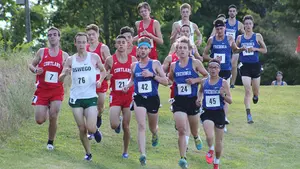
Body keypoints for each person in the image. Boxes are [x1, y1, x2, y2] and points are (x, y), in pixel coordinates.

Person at [59, 32, 106, 161]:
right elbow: (60, 79)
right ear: (75, 43)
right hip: (76, 98)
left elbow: (103, 71)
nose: (81, 44)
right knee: (82, 128)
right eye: (79, 42)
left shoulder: (94, 57)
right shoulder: (70, 59)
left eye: (83, 42)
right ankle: (88, 153)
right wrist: (65, 74)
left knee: (90, 127)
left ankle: (95, 131)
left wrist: (100, 80)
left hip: (90, 96)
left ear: (87, 43)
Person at [123, 37, 168, 166]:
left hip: (153, 98)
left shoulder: (155, 64)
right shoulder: (134, 65)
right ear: (137, 50)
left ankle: (155, 134)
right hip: (139, 98)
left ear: (149, 50)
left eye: (145, 48)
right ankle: (143, 154)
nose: (142, 51)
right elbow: (132, 80)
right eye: (141, 48)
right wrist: (127, 85)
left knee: (152, 127)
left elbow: (166, 82)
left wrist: (152, 75)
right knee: (141, 126)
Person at [168, 37, 208, 169]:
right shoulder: (174, 66)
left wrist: (196, 80)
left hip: (192, 101)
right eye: (179, 48)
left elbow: (207, 77)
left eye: (185, 48)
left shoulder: (195, 63)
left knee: (194, 129)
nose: (182, 50)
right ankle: (182, 158)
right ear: (176, 51)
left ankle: (196, 136)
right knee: (181, 129)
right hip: (179, 101)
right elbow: (170, 78)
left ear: (190, 50)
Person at [29, 27, 69, 150]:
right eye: (49, 35)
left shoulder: (65, 55)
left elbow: (68, 72)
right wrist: (36, 70)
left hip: (56, 90)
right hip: (42, 91)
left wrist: (66, 72)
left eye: (54, 34)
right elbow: (31, 64)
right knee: (40, 120)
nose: (52, 37)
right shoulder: (42, 52)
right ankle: (45, 108)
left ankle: (50, 142)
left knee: (54, 115)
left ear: (59, 37)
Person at [203, 19, 246, 132]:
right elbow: (204, 55)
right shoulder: (211, 40)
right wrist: (212, 59)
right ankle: (208, 114)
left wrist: (241, 49)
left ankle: (223, 119)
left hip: (226, 70)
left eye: (221, 28)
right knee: (211, 93)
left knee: (225, 95)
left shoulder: (230, 39)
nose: (219, 31)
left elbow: (235, 50)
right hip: (213, 71)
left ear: (225, 28)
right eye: (217, 29)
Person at [104, 35, 137, 159]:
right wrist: (106, 77)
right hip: (116, 95)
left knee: (126, 126)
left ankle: (125, 151)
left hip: (129, 95)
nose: (121, 44)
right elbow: (104, 73)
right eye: (119, 43)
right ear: (116, 45)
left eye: (124, 42)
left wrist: (129, 85)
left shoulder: (133, 59)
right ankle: (118, 123)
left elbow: (136, 76)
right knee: (113, 124)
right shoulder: (110, 60)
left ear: (128, 44)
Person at [198, 59, 232, 169]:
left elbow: (230, 100)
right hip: (207, 111)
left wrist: (223, 95)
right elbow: (200, 91)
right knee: (209, 135)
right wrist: (198, 99)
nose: (213, 70)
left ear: (219, 69)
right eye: (211, 67)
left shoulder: (223, 82)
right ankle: (210, 149)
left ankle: (216, 161)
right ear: (208, 69)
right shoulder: (204, 81)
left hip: (219, 113)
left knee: (219, 141)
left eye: (215, 67)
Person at [236, 15, 267, 123]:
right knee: (247, 90)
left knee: (255, 91)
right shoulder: (240, 38)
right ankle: (248, 114)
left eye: (250, 24)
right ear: (244, 25)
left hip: (255, 65)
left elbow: (265, 50)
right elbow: (235, 50)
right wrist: (240, 49)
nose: (248, 26)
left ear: (252, 25)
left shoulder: (257, 36)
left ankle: (256, 96)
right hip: (244, 66)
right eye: (246, 24)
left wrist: (255, 48)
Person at [210, 5, 245, 88]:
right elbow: (215, 30)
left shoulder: (239, 24)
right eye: (230, 11)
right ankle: (219, 80)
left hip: (234, 45)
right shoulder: (224, 22)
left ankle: (232, 84)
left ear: (236, 12)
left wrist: (241, 43)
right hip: (224, 46)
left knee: (234, 65)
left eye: (234, 11)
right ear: (228, 12)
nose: (232, 12)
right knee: (225, 64)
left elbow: (245, 34)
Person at [86, 24, 111, 132]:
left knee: (100, 106)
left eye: (93, 34)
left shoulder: (103, 48)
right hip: (88, 81)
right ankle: (91, 129)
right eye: (89, 35)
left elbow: (110, 63)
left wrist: (108, 74)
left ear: (98, 35)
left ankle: (99, 116)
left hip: (101, 79)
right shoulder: (85, 48)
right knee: (89, 106)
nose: (91, 37)